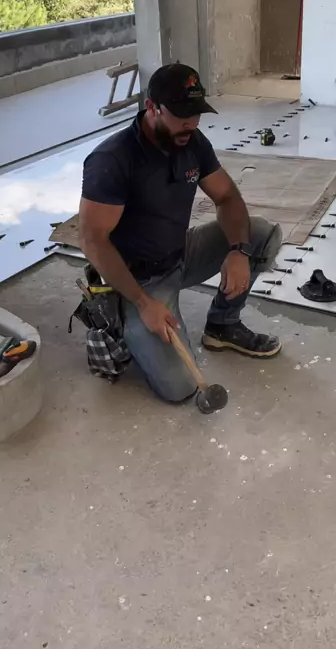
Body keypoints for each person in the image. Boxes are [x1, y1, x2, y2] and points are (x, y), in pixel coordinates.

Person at [79, 63, 282, 403]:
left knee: (260, 234)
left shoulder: (192, 142)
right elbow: (92, 239)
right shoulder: (113, 160)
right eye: (181, 115)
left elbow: (227, 197)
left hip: (179, 253)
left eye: (196, 113)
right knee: (181, 386)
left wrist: (238, 251)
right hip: (137, 280)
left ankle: (223, 325)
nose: (191, 123)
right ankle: (124, 321)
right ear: (152, 107)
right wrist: (143, 303)